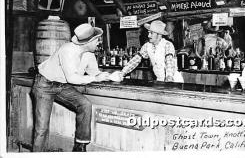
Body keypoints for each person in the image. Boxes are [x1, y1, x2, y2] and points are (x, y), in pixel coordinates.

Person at [32, 23, 110, 152]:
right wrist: (96, 78)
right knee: (42, 128)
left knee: (85, 104)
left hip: (62, 86)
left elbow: (94, 73)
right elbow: (72, 79)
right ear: (88, 42)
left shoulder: (89, 53)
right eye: (97, 40)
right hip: (44, 85)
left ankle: (80, 146)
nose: (99, 43)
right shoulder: (67, 50)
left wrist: (110, 76)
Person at [111, 20, 183, 83]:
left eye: (151, 33)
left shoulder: (167, 44)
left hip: (174, 80)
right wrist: (122, 72)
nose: (149, 35)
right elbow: (136, 60)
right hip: (160, 80)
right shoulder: (147, 46)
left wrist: (169, 77)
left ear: (159, 35)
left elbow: (169, 61)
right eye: (149, 32)